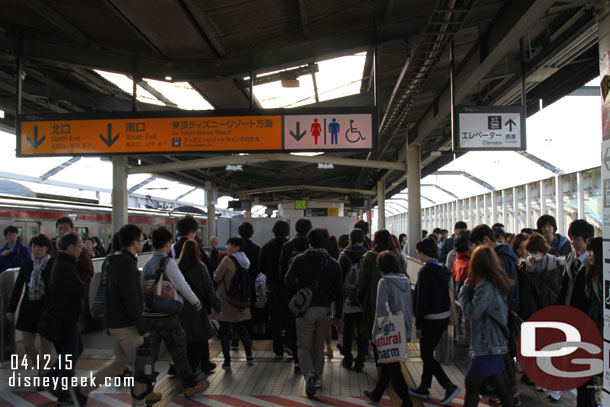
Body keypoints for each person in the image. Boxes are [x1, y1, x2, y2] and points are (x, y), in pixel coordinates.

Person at [83, 224, 157, 405]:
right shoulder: (127, 265)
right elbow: (131, 299)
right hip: (127, 326)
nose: (143, 244)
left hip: (115, 323)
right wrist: (142, 327)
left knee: (119, 364)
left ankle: (80, 389)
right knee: (141, 367)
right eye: (141, 240)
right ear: (134, 243)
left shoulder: (113, 261)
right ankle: (139, 403)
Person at [142, 226, 210, 398]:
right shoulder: (168, 262)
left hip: (150, 316)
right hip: (167, 315)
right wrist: (196, 302)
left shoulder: (148, 263)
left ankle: (146, 389)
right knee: (179, 351)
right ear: (167, 243)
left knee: (151, 354)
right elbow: (182, 286)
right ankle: (190, 384)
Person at [285, 227, 343, 398]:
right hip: (324, 310)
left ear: (309, 242)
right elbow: (339, 292)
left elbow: (288, 280)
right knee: (318, 346)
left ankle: (309, 373)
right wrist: (338, 315)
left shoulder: (299, 259)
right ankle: (317, 379)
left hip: (304, 311)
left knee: (303, 347)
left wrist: (301, 290)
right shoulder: (334, 263)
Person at [458, 246, 515, 407]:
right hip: (494, 344)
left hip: (487, 346)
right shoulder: (496, 282)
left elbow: (472, 312)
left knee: (471, 384)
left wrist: (465, 290)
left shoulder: (486, 286)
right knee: (500, 387)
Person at [410, 236, 460, 405]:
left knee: (426, 355)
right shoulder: (444, 269)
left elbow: (421, 300)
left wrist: (418, 325)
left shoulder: (424, 272)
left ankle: (448, 385)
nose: (418, 255)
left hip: (430, 318)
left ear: (423, 253)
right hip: (443, 316)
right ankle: (424, 386)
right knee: (429, 352)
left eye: (419, 252)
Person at [363, 251, 413, 407]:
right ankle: (377, 394)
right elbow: (408, 307)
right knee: (388, 362)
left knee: (393, 367)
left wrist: (374, 333)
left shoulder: (384, 283)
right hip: (403, 326)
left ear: (381, 267)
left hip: (389, 329)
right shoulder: (406, 281)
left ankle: (406, 400)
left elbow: (380, 311)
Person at [44, 232, 87, 405]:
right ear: (70, 247)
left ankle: (53, 377)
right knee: (69, 355)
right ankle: (62, 392)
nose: (81, 250)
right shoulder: (65, 265)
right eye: (79, 247)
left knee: (75, 350)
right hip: (65, 320)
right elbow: (78, 290)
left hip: (64, 318)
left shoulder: (61, 262)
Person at [6, 234, 53, 379]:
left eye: (39, 247)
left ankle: (44, 376)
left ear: (47, 248)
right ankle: (41, 368)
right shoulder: (27, 264)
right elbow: (18, 287)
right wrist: (10, 309)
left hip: (47, 311)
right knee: (27, 344)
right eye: (33, 246)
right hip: (29, 310)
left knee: (46, 347)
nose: (35, 249)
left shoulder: (53, 265)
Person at [178, 239, 222, 374]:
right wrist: (218, 307)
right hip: (198, 307)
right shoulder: (200, 267)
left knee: (191, 338)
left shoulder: (178, 268)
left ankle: (204, 363)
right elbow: (209, 289)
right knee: (201, 336)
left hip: (182, 308)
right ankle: (193, 368)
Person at [356, 229, 398, 368]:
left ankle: (361, 361)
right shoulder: (397, 257)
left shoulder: (368, 257)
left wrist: (360, 298)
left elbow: (362, 281)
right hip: (394, 304)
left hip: (371, 300)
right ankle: (386, 365)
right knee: (388, 334)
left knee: (366, 330)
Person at [213, 236, 254, 370]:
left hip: (227, 300)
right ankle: (249, 355)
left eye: (231, 245)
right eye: (227, 244)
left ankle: (227, 362)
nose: (228, 247)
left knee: (225, 331)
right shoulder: (245, 260)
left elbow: (217, 277)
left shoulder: (227, 260)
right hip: (240, 300)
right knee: (242, 328)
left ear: (237, 247)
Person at [279, 218, 313, 374]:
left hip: (293, 293)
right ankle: (309, 359)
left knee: (293, 324)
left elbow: (282, 272)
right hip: (311, 293)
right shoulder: (312, 246)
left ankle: (297, 361)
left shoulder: (287, 246)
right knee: (309, 325)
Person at [338, 228, 368, 372]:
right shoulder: (367, 255)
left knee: (348, 328)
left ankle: (347, 358)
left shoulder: (343, 255)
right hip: (363, 298)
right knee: (362, 330)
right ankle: (360, 361)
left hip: (348, 299)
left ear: (350, 239)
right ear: (363, 239)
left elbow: (339, 278)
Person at [259, 220, 290, 358]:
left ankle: (278, 350)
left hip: (272, 287)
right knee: (289, 317)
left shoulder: (266, 247)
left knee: (275, 319)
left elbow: (261, 268)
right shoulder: (290, 246)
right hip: (288, 288)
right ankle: (289, 345)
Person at [53, 216, 94, 285]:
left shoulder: (81, 248)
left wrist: (80, 285)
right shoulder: (53, 246)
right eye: (60, 228)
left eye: (66, 228)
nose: (62, 231)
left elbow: (88, 270)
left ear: (72, 229)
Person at [238, 221, 261, 335]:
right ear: (251, 233)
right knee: (250, 309)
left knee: (236, 309)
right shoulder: (257, 249)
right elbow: (259, 268)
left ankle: (237, 334)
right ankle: (249, 334)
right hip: (251, 283)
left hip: (236, 284)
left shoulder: (235, 249)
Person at [451, 230, 473, 344]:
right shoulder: (470, 263)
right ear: (469, 246)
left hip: (456, 290)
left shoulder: (457, 260)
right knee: (467, 316)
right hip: (466, 293)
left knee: (457, 312)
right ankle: (468, 339)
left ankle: (455, 335)